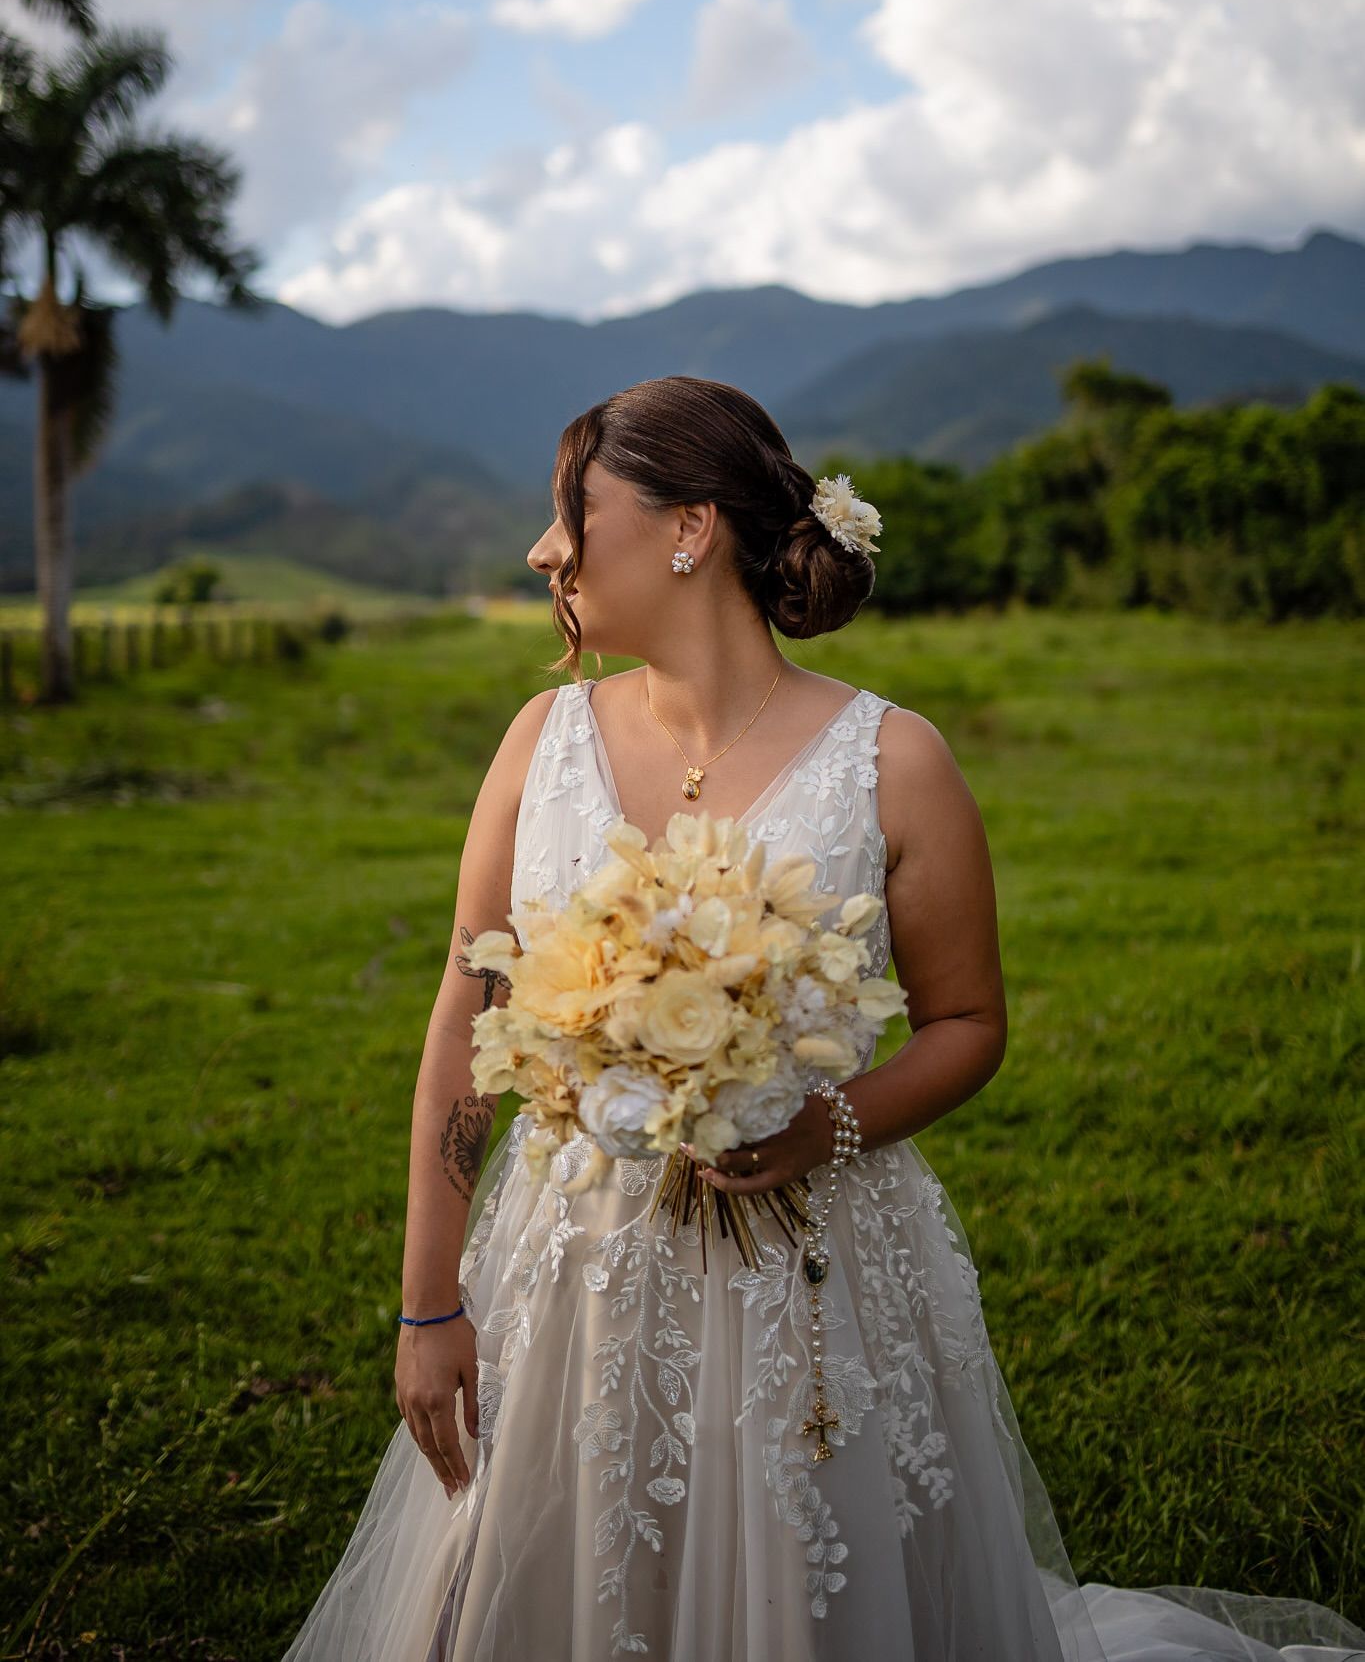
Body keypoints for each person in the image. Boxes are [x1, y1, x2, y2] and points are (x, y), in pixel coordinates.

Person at [279, 376, 1363, 1662]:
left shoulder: (894, 762)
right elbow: (472, 1014)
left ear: (688, 529)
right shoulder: (537, 741)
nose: (545, 547)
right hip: (570, 1276)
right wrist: (426, 1307)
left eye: (574, 506)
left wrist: (824, 1125)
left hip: (810, 1283)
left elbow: (968, 1021)